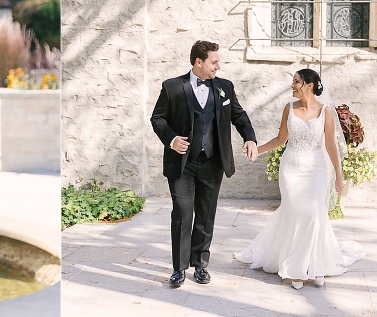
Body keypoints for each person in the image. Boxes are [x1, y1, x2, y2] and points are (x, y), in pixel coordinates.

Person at [234, 69, 365, 288]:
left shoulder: (325, 112)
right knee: (294, 214)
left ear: (309, 85)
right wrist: (257, 149)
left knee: (314, 215)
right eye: (293, 81)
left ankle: (317, 265)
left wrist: (339, 177)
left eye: (296, 82)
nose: (292, 85)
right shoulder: (289, 108)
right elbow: (281, 139)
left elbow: (331, 146)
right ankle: (295, 269)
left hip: (317, 170)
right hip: (291, 168)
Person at [151, 40, 258, 288]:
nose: (218, 66)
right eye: (214, 61)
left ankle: (200, 265)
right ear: (199, 62)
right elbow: (158, 118)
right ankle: (179, 269)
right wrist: (172, 139)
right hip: (182, 164)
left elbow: (239, 116)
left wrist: (250, 138)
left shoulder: (225, 88)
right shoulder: (172, 87)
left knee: (205, 216)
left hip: (212, 163)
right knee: (182, 213)